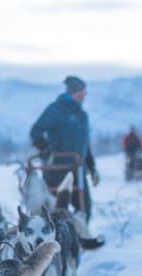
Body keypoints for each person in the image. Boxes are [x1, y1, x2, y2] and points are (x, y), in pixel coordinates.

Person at [29, 75, 99, 222]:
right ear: (73, 92)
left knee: (84, 208)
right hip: (57, 169)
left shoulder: (82, 115)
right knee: (56, 209)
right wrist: (45, 148)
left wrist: (92, 167)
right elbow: (36, 131)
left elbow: (85, 144)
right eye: (82, 92)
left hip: (77, 169)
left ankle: (79, 240)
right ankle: (53, 240)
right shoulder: (56, 110)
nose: (85, 95)